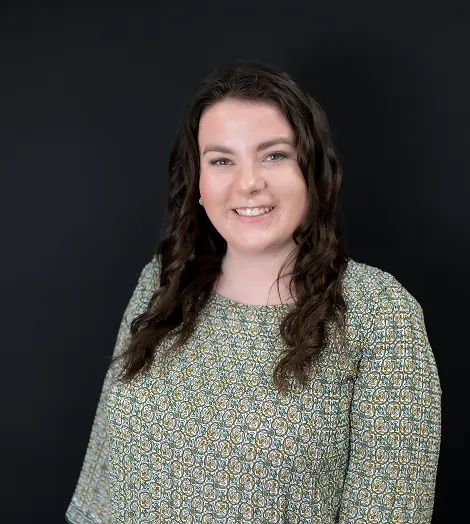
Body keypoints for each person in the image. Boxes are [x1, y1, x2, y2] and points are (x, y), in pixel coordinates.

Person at [66, 59, 441, 523]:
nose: (248, 183)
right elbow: (100, 491)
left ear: (312, 169)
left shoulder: (378, 313)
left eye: (274, 155)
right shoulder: (162, 284)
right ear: (199, 183)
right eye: (222, 160)